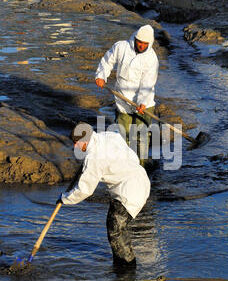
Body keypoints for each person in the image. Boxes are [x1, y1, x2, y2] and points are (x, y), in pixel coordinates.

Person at [57, 122, 151, 267]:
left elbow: (85, 190)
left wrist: (64, 198)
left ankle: (126, 269)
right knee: (115, 226)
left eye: (76, 143)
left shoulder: (93, 158)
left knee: (116, 229)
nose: (75, 147)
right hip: (140, 179)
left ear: (85, 140)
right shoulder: (108, 135)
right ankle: (122, 264)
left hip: (130, 191)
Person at [95, 24, 159, 168]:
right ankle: (125, 166)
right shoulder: (121, 47)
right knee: (123, 135)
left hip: (144, 104)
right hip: (123, 100)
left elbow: (147, 83)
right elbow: (107, 60)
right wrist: (101, 75)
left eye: (145, 44)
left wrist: (142, 102)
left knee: (141, 136)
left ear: (150, 43)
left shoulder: (151, 59)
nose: (141, 45)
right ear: (135, 38)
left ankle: (141, 167)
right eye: (139, 42)